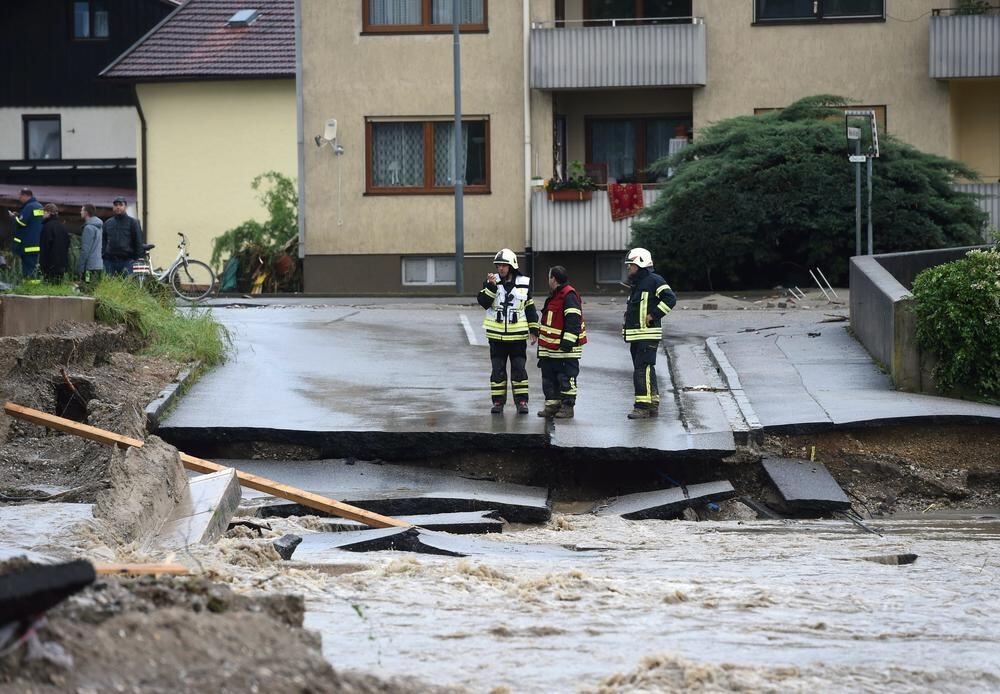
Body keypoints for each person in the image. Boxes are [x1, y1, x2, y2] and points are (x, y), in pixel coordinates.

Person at [477, 248, 539, 414]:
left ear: (512, 266)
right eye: (498, 266)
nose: (500, 269)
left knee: (519, 370)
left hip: (517, 338)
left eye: (504, 266)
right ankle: (498, 402)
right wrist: (490, 287)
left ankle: (522, 402)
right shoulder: (491, 281)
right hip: (496, 338)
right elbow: (483, 302)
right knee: (497, 371)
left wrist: (534, 329)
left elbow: (530, 308)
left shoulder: (524, 283)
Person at [622, 247, 677, 419]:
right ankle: (652, 402)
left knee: (642, 369)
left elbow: (670, 299)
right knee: (646, 369)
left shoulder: (655, 280)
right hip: (637, 335)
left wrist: (653, 315)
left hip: (647, 334)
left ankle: (642, 407)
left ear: (640, 263)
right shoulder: (637, 284)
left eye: (631, 265)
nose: (629, 268)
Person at [536, 266, 586, 419]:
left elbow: (573, 321)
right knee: (549, 379)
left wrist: (567, 344)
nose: (548, 280)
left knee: (566, 379)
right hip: (550, 349)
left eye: (549, 277)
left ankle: (567, 407)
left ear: (554, 279)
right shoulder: (555, 295)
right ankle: (552, 406)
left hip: (564, 350)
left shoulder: (568, 295)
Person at [7, 188, 43, 279]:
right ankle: (33, 287)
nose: (19, 198)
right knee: (34, 267)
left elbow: (22, 223)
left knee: (28, 269)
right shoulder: (39, 206)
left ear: (26, 195)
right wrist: (19, 215)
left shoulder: (29, 206)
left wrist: (13, 217)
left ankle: (29, 287)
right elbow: (32, 221)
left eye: (20, 196)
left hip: (27, 244)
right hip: (36, 243)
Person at [102, 196, 143, 275]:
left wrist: (137, 259)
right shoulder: (108, 223)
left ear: (125, 206)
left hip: (127, 261)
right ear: (113, 207)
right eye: (116, 205)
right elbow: (103, 240)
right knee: (110, 286)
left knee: (127, 286)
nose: (118, 207)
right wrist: (103, 256)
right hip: (110, 262)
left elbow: (138, 242)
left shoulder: (133, 223)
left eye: (120, 205)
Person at [39, 204, 70, 282]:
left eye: (44, 212)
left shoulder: (47, 227)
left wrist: (42, 264)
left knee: (49, 283)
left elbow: (45, 246)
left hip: (50, 263)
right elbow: (67, 243)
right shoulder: (62, 227)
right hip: (62, 262)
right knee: (59, 283)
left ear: (49, 212)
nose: (42, 214)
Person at [79, 204, 104, 285]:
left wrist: (81, 268)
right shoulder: (99, 227)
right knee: (95, 290)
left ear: (86, 213)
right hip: (98, 265)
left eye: (82, 210)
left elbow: (85, 250)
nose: (80, 212)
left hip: (89, 267)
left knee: (87, 288)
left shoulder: (88, 228)